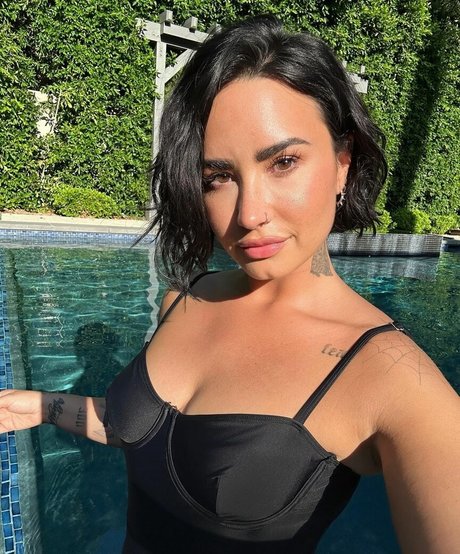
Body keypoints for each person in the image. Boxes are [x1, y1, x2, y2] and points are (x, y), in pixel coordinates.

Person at [0, 15, 459, 554]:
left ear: (342, 162)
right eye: (217, 177)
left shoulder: (393, 379)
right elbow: (142, 432)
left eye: (283, 161)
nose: (249, 214)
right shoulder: (185, 299)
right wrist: (40, 406)